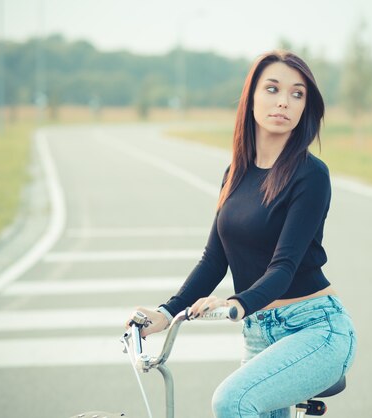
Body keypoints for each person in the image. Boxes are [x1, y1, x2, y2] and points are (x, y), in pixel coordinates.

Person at [126, 50, 357, 418]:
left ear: (305, 109)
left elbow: (283, 267)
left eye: (297, 94)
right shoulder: (236, 173)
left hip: (315, 330)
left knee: (231, 401)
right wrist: (167, 312)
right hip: (258, 333)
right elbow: (214, 260)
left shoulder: (311, 175)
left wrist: (235, 303)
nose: (284, 101)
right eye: (272, 89)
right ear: (251, 99)